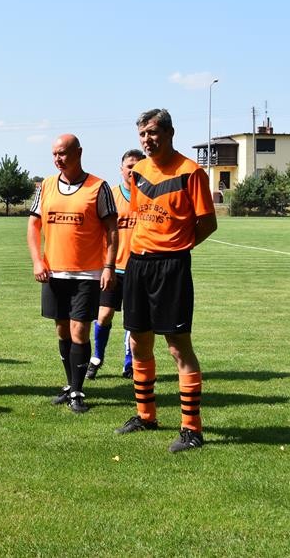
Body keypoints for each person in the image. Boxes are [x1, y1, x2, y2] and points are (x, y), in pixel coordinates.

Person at [114, 109, 217, 453]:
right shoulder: (138, 171)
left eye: (153, 132)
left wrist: (176, 247)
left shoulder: (192, 172)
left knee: (177, 345)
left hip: (171, 266)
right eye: (142, 133)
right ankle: (146, 415)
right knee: (138, 343)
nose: (147, 139)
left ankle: (192, 429)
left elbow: (207, 223)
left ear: (170, 133)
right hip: (138, 264)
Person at [27, 134, 117, 414]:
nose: (57, 159)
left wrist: (108, 266)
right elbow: (33, 226)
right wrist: (37, 261)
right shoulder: (46, 186)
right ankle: (70, 383)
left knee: (80, 330)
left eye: (63, 153)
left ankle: (78, 391)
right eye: (54, 154)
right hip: (54, 272)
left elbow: (112, 231)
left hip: (87, 273)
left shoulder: (98, 187)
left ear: (78, 152)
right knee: (62, 330)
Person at [87, 149, 144, 381]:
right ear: (121, 169)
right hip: (111, 269)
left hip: (139, 269)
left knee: (134, 320)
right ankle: (96, 358)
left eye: (138, 166)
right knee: (104, 315)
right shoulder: (110, 195)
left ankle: (129, 363)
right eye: (129, 166)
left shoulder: (149, 196)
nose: (133, 170)